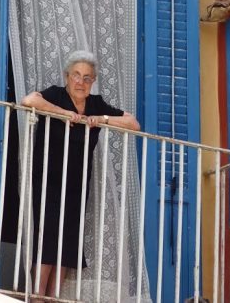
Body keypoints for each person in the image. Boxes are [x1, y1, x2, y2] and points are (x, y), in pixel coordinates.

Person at [21, 50, 140, 301]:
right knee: (49, 239)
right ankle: (36, 297)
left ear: (93, 81)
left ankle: (52, 298)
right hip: (49, 181)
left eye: (87, 78)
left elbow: (133, 124)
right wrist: (64, 114)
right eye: (76, 75)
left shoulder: (95, 103)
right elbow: (29, 100)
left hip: (77, 185)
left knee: (67, 242)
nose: (80, 82)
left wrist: (102, 118)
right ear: (67, 77)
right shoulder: (56, 94)